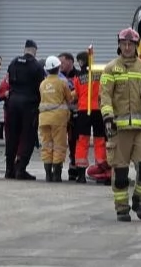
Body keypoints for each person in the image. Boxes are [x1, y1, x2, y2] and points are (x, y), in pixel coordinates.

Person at [99, 27, 141, 222]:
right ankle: (122, 208)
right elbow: (105, 96)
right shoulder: (110, 69)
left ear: (136, 46)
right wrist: (107, 118)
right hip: (119, 128)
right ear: (119, 46)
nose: (127, 47)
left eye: (130, 44)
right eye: (124, 44)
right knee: (121, 172)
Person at [4, 39, 45, 180]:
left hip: (13, 102)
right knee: (28, 136)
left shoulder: (13, 62)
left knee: (12, 136)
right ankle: (20, 169)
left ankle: (9, 170)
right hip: (29, 104)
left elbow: (9, 81)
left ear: (24, 49)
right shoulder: (36, 66)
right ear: (34, 50)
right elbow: (41, 87)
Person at [71, 48, 108, 184]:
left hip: (83, 111)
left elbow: (77, 94)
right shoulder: (100, 73)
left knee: (82, 141)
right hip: (98, 110)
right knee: (100, 140)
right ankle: (102, 170)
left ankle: (81, 175)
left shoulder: (78, 77)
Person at [37, 55, 76, 182]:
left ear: (47, 70)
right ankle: (56, 175)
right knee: (59, 146)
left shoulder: (42, 84)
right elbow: (70, 99)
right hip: (58, 119)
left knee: (46, 145)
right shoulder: (62, 83)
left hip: (43, 119)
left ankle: (48, 175)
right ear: (58, 68)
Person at [57, 52, 79, 180]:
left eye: (63, 62)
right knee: (59, 141)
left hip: (74, 115)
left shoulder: (78, 75)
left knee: (74, 142)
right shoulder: (57, 76)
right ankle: (57, 167)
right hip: (60, 115)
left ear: (71, 62)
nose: (60, 65)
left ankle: (74, 167)